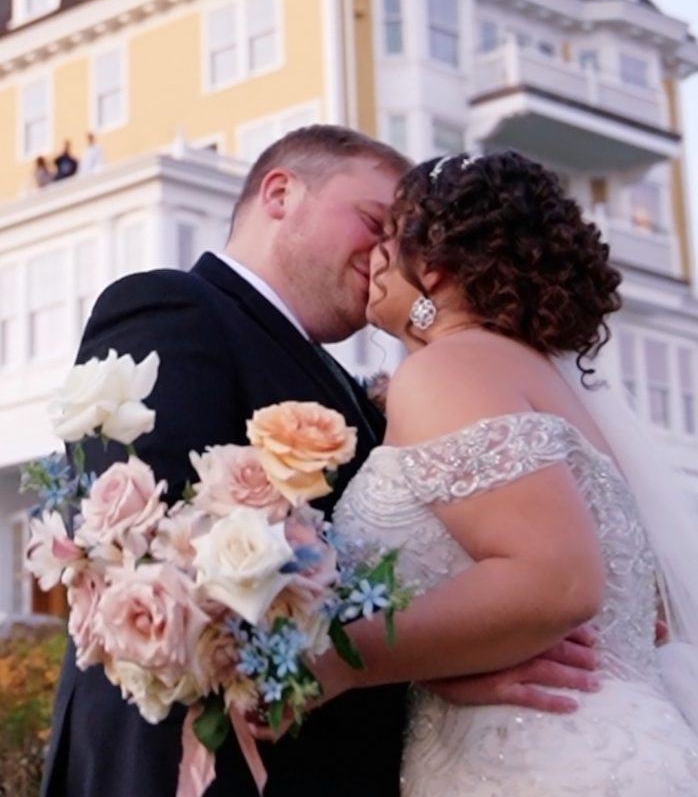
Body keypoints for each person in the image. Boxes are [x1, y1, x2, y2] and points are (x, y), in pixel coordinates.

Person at [41, 128, 599, 797]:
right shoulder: (173, 309)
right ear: (280, 193)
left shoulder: (368, 392)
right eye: (374, 221)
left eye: (404, 239)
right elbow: (150, 552)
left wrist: (453, 655)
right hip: (186, 768)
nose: (389, 252)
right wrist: (421, 664)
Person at [313, 149, 698, 794]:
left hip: (540, 762)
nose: (373, 257)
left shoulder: (446, 370)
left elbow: (559, 581)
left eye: (389, 236)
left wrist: (339, 662)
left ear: (432, 265)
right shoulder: (546, 385)